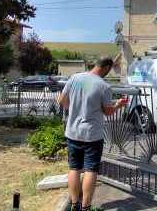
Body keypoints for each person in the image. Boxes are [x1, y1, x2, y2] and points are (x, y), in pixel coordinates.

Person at [58, 57, 128, 211]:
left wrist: (74, 110)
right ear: (106, 67)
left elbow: (62, 100)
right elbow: (108, 111)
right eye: (109, 70)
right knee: (90, 170)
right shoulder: (103, 86)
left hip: (73, 132)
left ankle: (75, 204)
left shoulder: (75, 78)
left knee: (74, 168)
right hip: (92, 135)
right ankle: (86, 207)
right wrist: (118, 105)